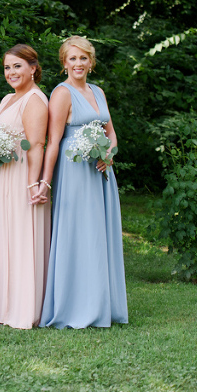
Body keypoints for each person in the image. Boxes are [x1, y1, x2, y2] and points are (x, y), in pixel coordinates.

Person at [38, 36, 128, 329]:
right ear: (64, 63)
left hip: (101, 171)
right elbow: (53, 141)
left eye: (83, 58)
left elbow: (110, 131)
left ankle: (102, 303)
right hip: (74, 170)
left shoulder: (98, 91)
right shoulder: (61, 93)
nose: (78, 64)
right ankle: (75, 306)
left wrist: (110, 154)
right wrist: (45, 181)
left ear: (91, 62)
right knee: (79, 234)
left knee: (99, 235)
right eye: (72, 59)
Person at [0, 44, 51, 329]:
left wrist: (34, 183)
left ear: (33, 68)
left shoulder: (34, 99)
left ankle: (23, 308)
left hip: (21, 177)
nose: (11, 72)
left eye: (17, 66)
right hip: (0, 178)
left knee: (21, 238)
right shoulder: (8, 98)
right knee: (1, 237)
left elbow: (35, 144)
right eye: (7, 67)